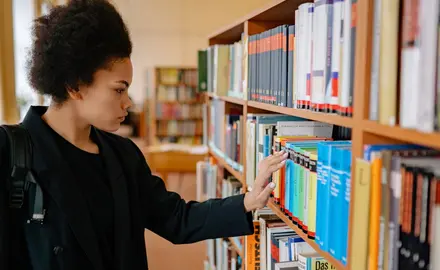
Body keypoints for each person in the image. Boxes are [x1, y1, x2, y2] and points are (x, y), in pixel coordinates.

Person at [0, 1, 288, 270]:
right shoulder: (10, 153)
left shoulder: (123, 154)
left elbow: (176, 219)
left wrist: (247, 201)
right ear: (75, 86)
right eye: (118, 89)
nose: (128, 103)